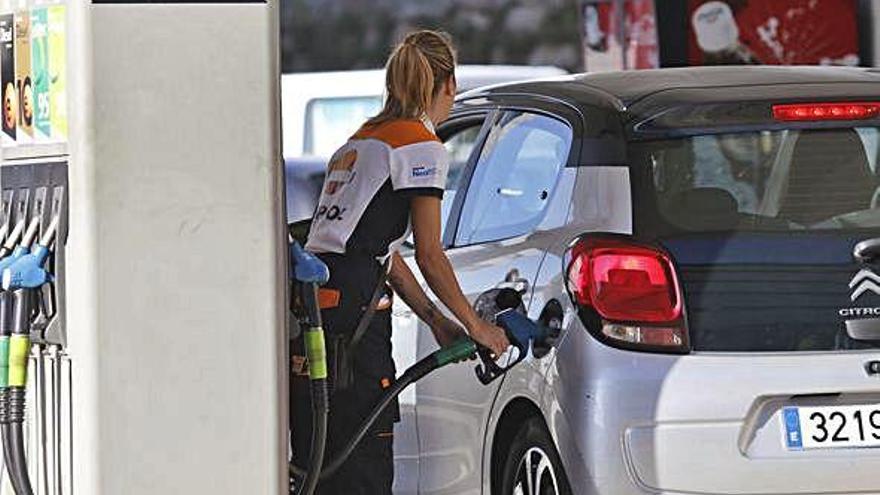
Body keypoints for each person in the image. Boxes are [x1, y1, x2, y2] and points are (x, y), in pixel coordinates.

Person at [292, 30, 510, 495]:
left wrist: (435, 318)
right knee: (365, 455)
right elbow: (429, 255)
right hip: (355, 317)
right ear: (447, 85)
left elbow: (379, 251)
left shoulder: (360, 140)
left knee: (322, 449)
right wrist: (477, 326)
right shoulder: (421, 146)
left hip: (317, 305)